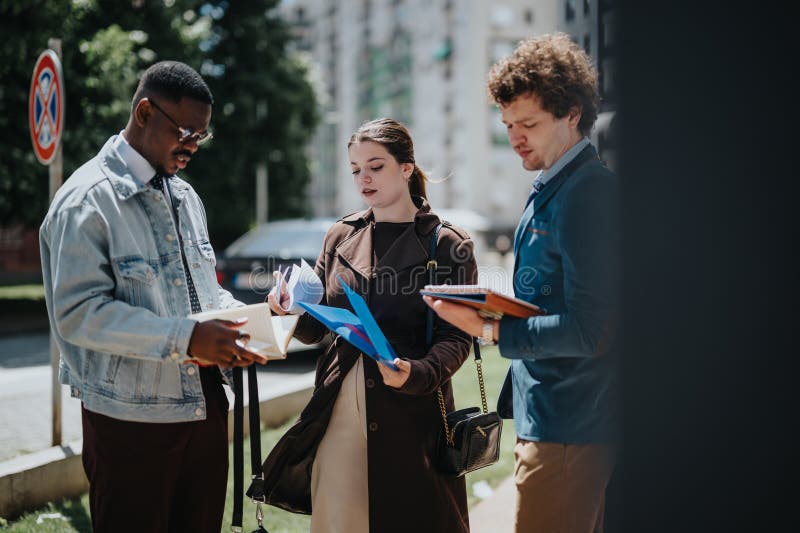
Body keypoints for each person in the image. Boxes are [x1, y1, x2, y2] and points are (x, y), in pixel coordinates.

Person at [39, 60, 268, 533]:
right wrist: (187, 338)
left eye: (200, 136)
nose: (192, 147)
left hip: (206, 410)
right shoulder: (86, 199)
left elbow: (201, 292)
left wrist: (250, 321)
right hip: (129, 423)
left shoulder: (186, 197)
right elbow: (78, 316)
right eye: (185, 131)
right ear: (144, 112)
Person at [424, 33, 620, 532]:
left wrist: (491, 331)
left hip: (572, 425)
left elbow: (592, 329)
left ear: (572, 113)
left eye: (529, 123)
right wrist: (493, 309)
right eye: (508, 124)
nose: (515, 137)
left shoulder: (587, 194)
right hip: (552, 419)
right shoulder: (552, 184)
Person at [264, 118, 478, 533]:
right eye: (356, 169)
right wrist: (289, 310)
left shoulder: (449, 244)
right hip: (339, 406)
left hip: (414, 415)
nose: (364, 178)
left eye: (376, 166)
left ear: (406, 168)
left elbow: (458, 337)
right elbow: (320, 328)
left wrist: (416, 373)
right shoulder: (340, 234)